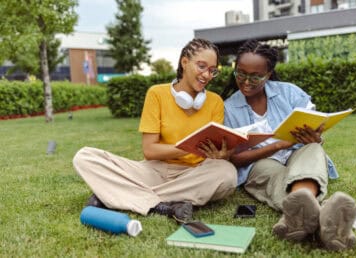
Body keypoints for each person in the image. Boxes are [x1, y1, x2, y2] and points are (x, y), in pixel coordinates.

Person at [73, 38, 237, 224]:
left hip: (195, 173)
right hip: (155, 171)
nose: (206, 75)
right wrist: (189, 147)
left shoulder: (215, 101)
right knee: (84, 157)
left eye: (212, 70)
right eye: (201, 66)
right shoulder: (157, 94)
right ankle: (165, 204)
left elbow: (213, 153)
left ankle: (113, 197)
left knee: (227, 174)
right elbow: (150, 151)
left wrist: (221, 154)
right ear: (184, 62)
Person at [222, 39, 356, 251]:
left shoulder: (289, 92)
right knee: (273, 175)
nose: (246, 81)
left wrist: (315, 137)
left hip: (298, 151)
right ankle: (325, 218)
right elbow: (235, 159)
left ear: (268, 74)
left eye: (256, 76)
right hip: (260, 162)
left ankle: (296, 216)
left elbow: (315, 126)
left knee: (314, 150)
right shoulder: (229, 108)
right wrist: (277, 146)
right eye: (240, 73)